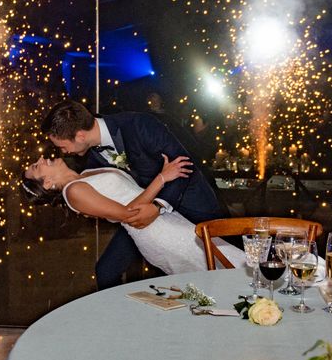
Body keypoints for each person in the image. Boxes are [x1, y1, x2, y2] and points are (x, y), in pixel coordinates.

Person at [40, 99, 227, 289]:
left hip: (191, 206)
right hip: (139, 218)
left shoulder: (138, 124)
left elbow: (182, 165)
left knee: (214, 270)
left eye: (63, 146)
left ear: (80, 136)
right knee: (106, 271)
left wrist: (158, 206)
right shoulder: (91, 157)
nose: (63, 152)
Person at [21, 155, 246, 274]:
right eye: (36, 167)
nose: (41, 159)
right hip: (157, 234)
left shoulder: (86, 174)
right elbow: (128, 214)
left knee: (229, 265)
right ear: (48, 183)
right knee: (230, 270)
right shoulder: (73, 192)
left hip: (169, 220)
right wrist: (162, 178)